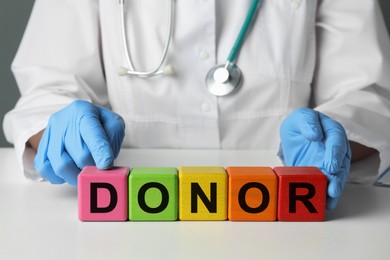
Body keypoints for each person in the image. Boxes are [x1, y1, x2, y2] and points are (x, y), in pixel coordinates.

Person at [3, 0, 390, 211]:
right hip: (131, 219)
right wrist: (59, 128)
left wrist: (334, 135)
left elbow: (366, 93)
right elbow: (48, 88)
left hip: (282, 214)